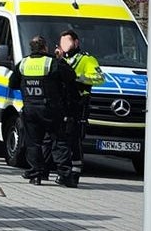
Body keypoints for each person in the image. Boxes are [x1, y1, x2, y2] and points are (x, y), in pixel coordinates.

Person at [8, 35, 76, 186]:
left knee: (33, 143)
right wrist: (61, 59)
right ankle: (65, 175)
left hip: (30, 109)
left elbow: (12, 83)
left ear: (31, 48)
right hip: (51, 110)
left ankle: (36, 175)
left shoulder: (24, 63)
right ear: (45, 47)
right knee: (59, 141)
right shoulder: (52, 62)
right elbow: (71, 76)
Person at [58, 30, 104, 187]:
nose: (64, 46)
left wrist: (78, 79)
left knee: (75, 139)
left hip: (78, 103)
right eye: (62, 42)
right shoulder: (61, 59)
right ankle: (62, 172)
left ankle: (75, 173)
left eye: (67, 42)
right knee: (60, 140)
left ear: (76, 42)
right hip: (62, 104)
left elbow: (99, 78)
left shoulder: (86, 59)